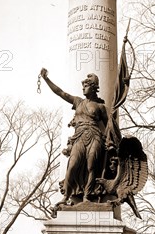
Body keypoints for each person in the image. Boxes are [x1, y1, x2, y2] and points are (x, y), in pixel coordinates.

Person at [40, 68, 108, 205]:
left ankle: (87, 197)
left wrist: (110, 143)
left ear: (93, 87)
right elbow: (61, 93)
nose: (83, 88)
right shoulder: (78, 102)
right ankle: (65, 197)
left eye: (86, 85)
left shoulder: (100, 106)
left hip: (95, 136)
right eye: (82, 85)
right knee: (72, 166)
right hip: (79, 136)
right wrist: (46, 79)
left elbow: (108, 127)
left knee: (91, 167)